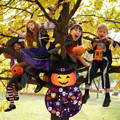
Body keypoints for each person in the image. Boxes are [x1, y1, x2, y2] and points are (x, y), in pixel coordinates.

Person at [82, 23, 114, 107]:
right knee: (90, 71)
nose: (102, 33)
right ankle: (86, 93)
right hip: (96, 59)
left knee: (104, 73)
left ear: (107, 33)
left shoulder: (108, 40)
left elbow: (114, 45)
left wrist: (109, 41)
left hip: (105, 60)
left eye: (104, 32)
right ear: (97, 32)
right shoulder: (94, 40)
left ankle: (107, 96)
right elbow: (90, 51)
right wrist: (94, 44)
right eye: (100, 32)